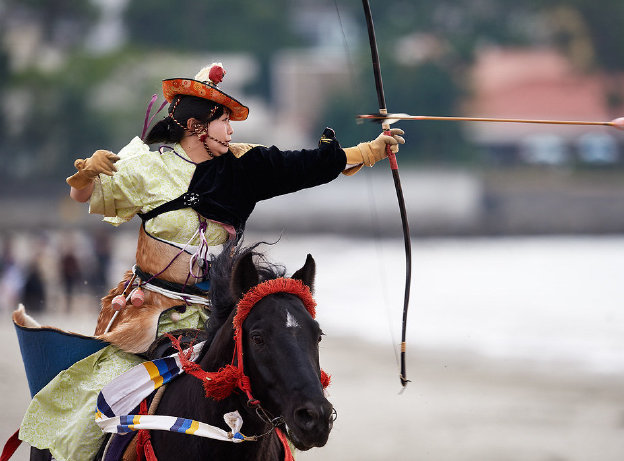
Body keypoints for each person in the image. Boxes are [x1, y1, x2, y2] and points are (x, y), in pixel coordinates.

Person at [18, 62, 404, 461]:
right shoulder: (147, 169)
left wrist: (370, 151)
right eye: (224, 122)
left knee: (270, 403)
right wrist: (85, 175)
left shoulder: (243, 167)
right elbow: (83, 197)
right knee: (91, 406)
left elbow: (304, 165)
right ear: (196, 126)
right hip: (151, 319)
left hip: (219, 321)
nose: (231, 131)